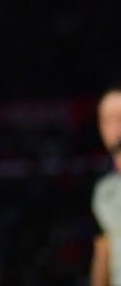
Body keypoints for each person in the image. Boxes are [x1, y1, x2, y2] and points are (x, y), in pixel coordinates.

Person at [93, 87, 121, 286]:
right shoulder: (104, 191)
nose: (116, 127)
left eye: (120, 117)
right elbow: (103, 249)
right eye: (108, 119)